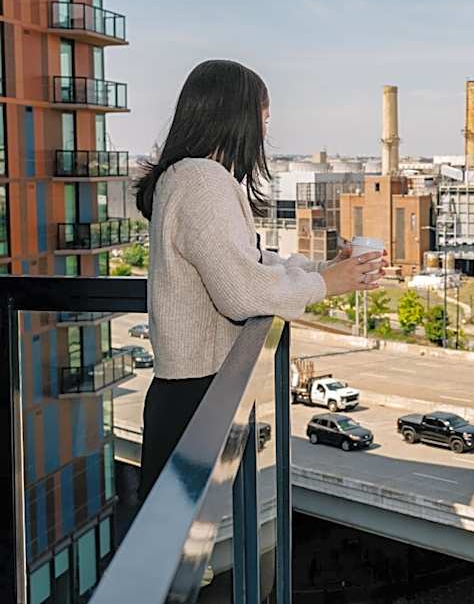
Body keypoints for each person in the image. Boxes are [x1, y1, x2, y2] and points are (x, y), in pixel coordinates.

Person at [134, 60, 385, 502]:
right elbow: (242, 293)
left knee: (175, 527)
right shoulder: (202, 182)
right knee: (180, 533)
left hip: (188, 393)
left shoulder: (188, 177)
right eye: (263, 119)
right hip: (198, 396)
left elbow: (250, 262)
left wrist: (324, 269)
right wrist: (327, 284)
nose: (265, 134)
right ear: (237, 118)